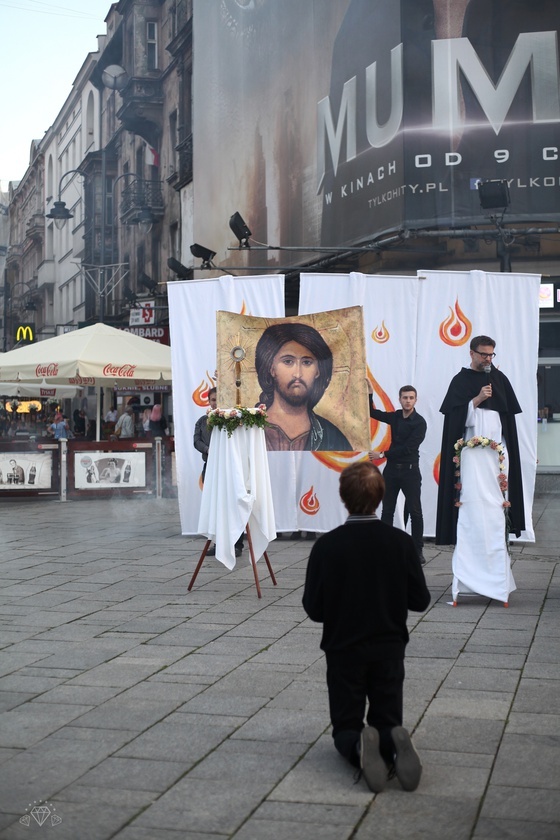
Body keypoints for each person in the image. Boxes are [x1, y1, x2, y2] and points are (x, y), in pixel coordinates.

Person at [302, 461, 430, 793]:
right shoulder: (401, 544)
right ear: (381, 496)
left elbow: (314, 609)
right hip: (389, 648)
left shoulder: (326, 547)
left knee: (345, 724)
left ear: (343, 498)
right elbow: (420, 600)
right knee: (387, 717)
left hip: (344, 650)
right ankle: (391, 739)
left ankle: (359, 745)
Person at [436, 335, 524, 604]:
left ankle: (495, 576)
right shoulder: (460, 381)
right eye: (483, 354)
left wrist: (506, 455)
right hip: (471, 459)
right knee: (472, 512)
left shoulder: (500, 379)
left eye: (491, 355)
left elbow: (506, 422)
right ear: (471, 353)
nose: (487, 359)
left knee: (496, 511)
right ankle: (470, 574)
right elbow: (455, 421)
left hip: (496, 457)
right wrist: (476, 400)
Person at [255, 322, 352, 451]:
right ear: (271, 368)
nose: (298, 374)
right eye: (288, 361)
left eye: (307, 362)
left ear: (318, 371)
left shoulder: (333, 437)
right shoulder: (250, 429)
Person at [369, 385, 427, 564]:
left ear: (415, 400)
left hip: (410, 471)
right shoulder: (395, 417)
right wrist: (370, 395)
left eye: (411, 398)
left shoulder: (420, 422)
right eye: (405, 397)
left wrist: (383, 454)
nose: (408, 401)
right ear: (400, 399)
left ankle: (417, 551)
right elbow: (373, 414)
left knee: (415, 512)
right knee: (387, 510)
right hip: (392, 471)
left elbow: (409, 448)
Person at [193, 387, 244, 558]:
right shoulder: (202, 421)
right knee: (214, 506)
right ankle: (217, 543)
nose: (215, 402)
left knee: (233, 505)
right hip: (210, 466)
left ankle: (237, 544)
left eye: (218, 399)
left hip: (229, 468)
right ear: (208, 401)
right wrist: (209, 449)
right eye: (213, 399)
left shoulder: (230, 421)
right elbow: (196, 441)